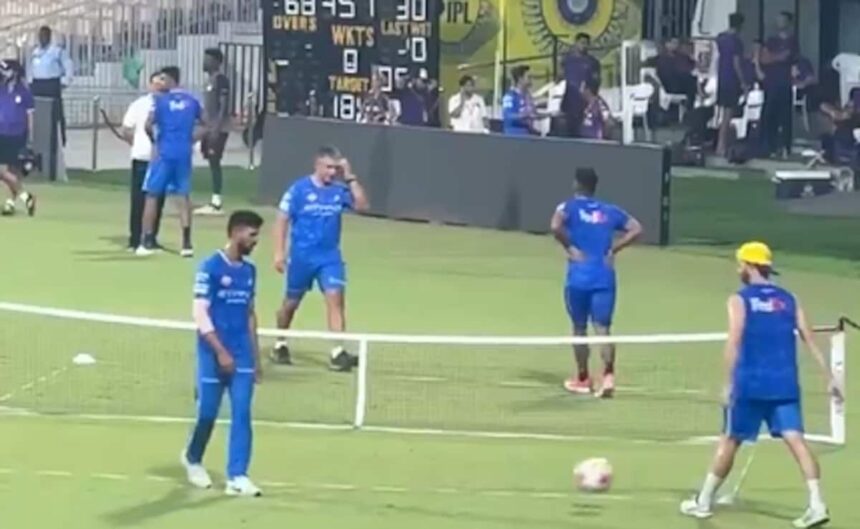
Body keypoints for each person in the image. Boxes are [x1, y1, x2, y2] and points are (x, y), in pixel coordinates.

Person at [680, 242, 842, 529]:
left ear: (750, 266)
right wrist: (829, 377)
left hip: (749, 384)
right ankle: (817, 504)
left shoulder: (739, 300)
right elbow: (809, 338)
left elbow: (734, 340)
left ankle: (703, 502)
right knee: (797, 441)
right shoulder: (790, 299)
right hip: (785, 385)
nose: (738, 269)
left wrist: (728, 382)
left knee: (730, 440)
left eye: (741, 264)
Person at [182, 209, 264, 497]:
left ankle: (238, 475)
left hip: (241, 354)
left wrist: (256, 358)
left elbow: (250, 314)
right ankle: (192, 458)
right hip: (212, 353)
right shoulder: (210, 267)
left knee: (242, 413)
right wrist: (219, 351)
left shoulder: (250, 272)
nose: (255, 241)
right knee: (207, 413)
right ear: (236, 232)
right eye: (252, 235)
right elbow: (199, 313)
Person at [272, 145, 370, 371]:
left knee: (336, 298)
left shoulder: (339, 190)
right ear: (317, 165)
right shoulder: (298, 190)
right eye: (328, 168)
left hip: (329, 257)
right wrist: (279, 252)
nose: (332, 173)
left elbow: (362, 206)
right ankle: (280, 342)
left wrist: (350, 177)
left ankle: (337, 352)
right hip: (302, 257)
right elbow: (282, 220)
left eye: (336, 168)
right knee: (291, 304)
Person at [549, 168, 642, 397]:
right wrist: (614, 249)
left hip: (578, 278)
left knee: (579, 329)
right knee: (603, 329)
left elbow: (555, 226)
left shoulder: (568, 207)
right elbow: (636, 229)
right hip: (604, 277)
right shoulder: (609, 210)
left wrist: (570, 248)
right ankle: (608, 377)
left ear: (576, 184)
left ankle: (583, 378)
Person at [138, 66, 205, 258]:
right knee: (183, 196)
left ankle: (146, 240)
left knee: (152, 195)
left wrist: (154, 141)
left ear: (170, 79)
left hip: (164, 153)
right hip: (183, 153)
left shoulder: (161, 101)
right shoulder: (192, 101)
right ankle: (186, 243)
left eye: (162, 79)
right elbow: (207, 124)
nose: (160, 83)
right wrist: (192, 139)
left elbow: (148, 124)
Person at [119, 71, 166, 250]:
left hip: (161, 158)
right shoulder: (139, 105)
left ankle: (151, 236)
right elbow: (126, 128)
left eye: (162, 82)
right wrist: (134, 143)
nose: (159, 86)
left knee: (158, 199)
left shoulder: (168, 106)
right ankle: (135, 237)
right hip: (142, 156)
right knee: (138, 199)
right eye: (155, 82)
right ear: (149, 85)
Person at [195, 48, 232, 216]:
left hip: (218, 128)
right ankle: (214, 199)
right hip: (208, 128)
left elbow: (224, 105)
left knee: (215, 161)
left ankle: (216, 201)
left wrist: (216, 127)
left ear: (216, 62)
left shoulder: (220, 80)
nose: (204, 62)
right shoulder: (208, 81)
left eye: (208, 59)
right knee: (211, 160)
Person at [0, 59, 36, 216]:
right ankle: (26, 197)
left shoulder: (24, 92)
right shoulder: (1, 89)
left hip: (16, 135)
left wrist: (30, 139)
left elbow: (30, 117)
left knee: (12, 171)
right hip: (1, 133)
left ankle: (11, 202)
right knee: (4, 172)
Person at [760, 12, 799, 158]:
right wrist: (778, 57)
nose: (779, 22)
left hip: (785, 83)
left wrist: (773, 57)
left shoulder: (793, 41)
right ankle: (769, 146)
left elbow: (790, 58)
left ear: (789, 22)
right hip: (771, 83)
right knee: (769, 115)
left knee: (785, 116)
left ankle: (785, 147)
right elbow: (764, 59)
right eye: (778, 19)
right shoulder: (771, 40)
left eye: (782, 20)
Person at [27, 26, 73, 147]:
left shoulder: (57, 52)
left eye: (45, 35)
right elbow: (30, 68)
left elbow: (68, 66)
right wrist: (29, 82)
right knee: (37, 114)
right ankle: (38, 140)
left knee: (55, 114)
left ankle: (59, 140)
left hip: (51, 84)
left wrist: (65, 81)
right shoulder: (35, 52)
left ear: (49, 36)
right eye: (40, 36)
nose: (42, 38)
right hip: (37, 85)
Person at [715, 13, 748, 156]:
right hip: (731, 79)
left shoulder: (720, 38)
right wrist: (743, 82)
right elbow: (736, 64)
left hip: (721, 77)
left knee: (723, 113)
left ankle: (720, 144)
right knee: (728, 114)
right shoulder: (736, 42)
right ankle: (721, 145)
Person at [561, 33, 601, 138]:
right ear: (576, 43)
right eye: (581, 43)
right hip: (569, 101)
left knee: (583, 132)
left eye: (586, 43)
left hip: (584, 103)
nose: (584, 45)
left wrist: (591, 98)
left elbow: (596, 82)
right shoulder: (567, 60)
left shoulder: (593, 62)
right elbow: (561, 78)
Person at [656, 37, 697, 110]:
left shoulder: (681, 56)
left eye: (677, 43)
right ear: (666, 44)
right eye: (673, 43)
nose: (675, 45)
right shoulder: (662, 58)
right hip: (671, 85)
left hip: (681, 82)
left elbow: (692, 66)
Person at [502, 65, 538, 136]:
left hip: (528, 133)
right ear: (520, 79)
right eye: (529, 77)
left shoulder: (528, 96)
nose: (531, 80)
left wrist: (547, 115)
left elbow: (533, 113)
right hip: (514, 134)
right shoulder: (510, 96)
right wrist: (526, 115)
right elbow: (508, 115)